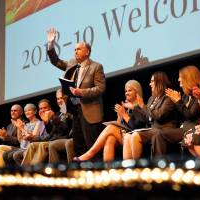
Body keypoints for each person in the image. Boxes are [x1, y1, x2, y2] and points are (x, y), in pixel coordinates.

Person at [47, 27, 106, 157]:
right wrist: (51, 44)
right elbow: (55, 61)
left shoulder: (96, 67)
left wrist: (81, 92)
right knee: (78, 146)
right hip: (76, 111)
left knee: (92, 147)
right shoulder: (72, 64)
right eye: (74, 49)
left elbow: (100, 88)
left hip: (90, 112)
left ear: (87, 52)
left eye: (78, 49)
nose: (75, 51)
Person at [139, 65, 200, 157]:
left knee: (159, 134)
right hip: (183, 128)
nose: (179, 79)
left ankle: (159, 165)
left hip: (193, 128)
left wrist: (178, 101)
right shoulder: (186, 96)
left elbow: (190, 115)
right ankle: (157, 165)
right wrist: (178, 101)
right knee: (157, 135)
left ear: (188, 78)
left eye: (181, 77)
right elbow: (181, 114)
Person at [75, 80, 144, 162]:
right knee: (110, 138)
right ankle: (108, 168)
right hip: (124, 135)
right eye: (125, 91)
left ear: (137, 92)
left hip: (134, 137)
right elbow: (121, 125)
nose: (126, 93)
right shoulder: (127, 107)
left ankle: (90, 154)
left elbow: (136, 127)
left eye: (130, 90)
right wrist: (120, 116)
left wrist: (124, 115)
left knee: (111, 127)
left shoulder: (140, 107)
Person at [124, 71, 178, 159]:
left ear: (159, 82)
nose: (150, 84)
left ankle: (138, 167)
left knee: (135, 135)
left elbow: (159, 115)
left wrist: (143, 106)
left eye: (152, 81)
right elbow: (146, 118)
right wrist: (135, 108)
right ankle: (130, 168)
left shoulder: (168, 98)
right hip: (152, 129)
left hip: (164, 129)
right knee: (128, 136)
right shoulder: (151, 98)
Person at [21, 89, 73, 165]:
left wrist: (53, 118)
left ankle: (31, 170)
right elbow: (51, 133)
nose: (59, 100)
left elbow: (65, 130)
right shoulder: (59, 113)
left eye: (62, 98)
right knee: (32, 145)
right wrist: (46, 122)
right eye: (58, 98)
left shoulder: (70, 112)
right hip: (52, 139)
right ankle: (24, 169)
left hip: (62, 139)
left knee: (43, 145)